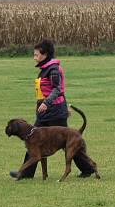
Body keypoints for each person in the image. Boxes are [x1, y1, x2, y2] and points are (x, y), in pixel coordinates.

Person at [10, 39, 97, 179]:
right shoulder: (45, 69)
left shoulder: (53, 69)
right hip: (45, 112)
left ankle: (87, 168)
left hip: (55, 111)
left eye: (36, 54)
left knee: (70, 141)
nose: (34, 57)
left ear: (45, 54)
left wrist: (47, 103)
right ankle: (25, 173)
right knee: (31, 138)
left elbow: (58, 89)